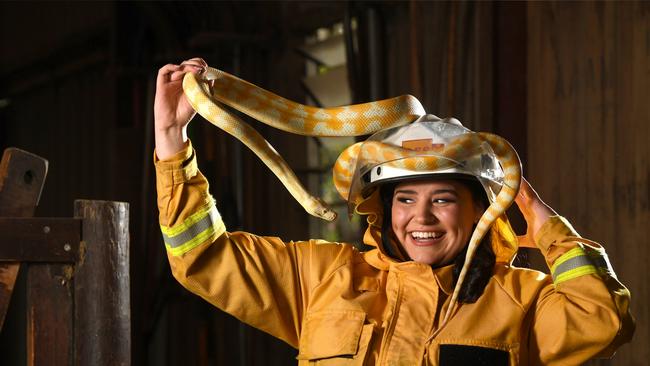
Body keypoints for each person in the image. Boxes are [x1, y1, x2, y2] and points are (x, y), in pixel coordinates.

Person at [154, 58, 634, 365]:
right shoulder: (323, 277)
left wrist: (537, 212)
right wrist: (173, 143)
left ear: (478, 210)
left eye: (443, 199)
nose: (420, 219)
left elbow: (602, 321)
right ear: (382, 208)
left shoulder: (523, 301)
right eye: (405, 199)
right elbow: (202, 257)